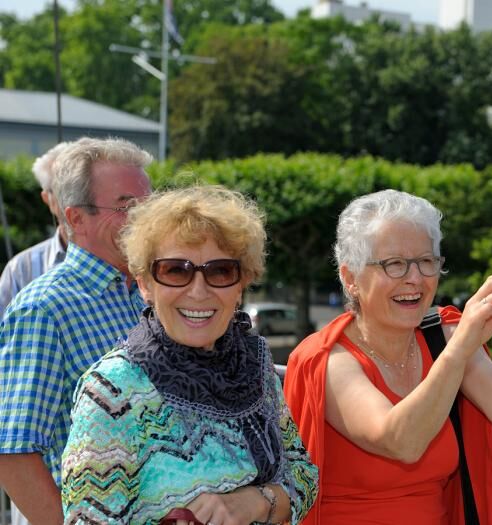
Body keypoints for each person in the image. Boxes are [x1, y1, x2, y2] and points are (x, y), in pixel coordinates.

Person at [284, 189, 492, 525]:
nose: (415, 278)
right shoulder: (327, 359)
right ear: (351, 278)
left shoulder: (445, 336)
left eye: (426, 261)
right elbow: (400, 442)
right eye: (394, 264)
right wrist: (460, 348)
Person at [62, 185, 319, 525]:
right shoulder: (113, 392)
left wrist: (255, 502)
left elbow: (302, 475)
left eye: (220, 271)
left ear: (241, 284)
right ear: (144, 285)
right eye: (175, 270)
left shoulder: (254, 366)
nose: (199, 291)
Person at [0, 137, 152, 525]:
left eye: (148, 204)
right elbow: (13, 453)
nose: (145, 218)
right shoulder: (44, 309)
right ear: (76, 218)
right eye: (126, 206)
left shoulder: (151, 292)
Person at [0, 141, 72, 317]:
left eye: (82, 187)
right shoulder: (21, 269)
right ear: (47, 198)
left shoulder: (126, 258)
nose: (75, 198)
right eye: (64, 189)